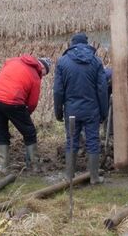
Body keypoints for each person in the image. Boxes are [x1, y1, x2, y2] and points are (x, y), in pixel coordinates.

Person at [53, 32, 108, 184]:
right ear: (87, 43)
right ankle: (94, 177)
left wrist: (58, 112)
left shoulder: (62, 62)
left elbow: (58, 90)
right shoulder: (96, 62)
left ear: (71, 44)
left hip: (71, 110)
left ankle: (69, 176)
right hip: (92, 110)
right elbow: (102, 89)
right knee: (93, 141)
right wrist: (104, 112)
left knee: (71, 141)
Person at [0, 54, 52, 173]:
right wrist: (26, 115)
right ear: (42, 68)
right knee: (30, 133)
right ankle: (34, 167)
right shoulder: (35, 76)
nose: (42, 76)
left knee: (0, 134)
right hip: (13, 102)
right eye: (44, 73)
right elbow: (32, 103)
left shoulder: (13, 61)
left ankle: (4, 168)